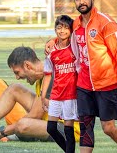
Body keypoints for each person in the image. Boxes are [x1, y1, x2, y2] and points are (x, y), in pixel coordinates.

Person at [46, 0, 117, 153]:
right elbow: (63, 34)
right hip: (83, 85)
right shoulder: (76, 25)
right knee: (86, 127)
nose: (82, 1)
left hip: (106, 84)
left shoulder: (105, 22)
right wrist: (52, 41)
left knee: (108, 128)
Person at [0, 46, 80, 145]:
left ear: (28, 66)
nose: (17, 77)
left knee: (23, 125)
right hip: (52, 120)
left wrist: (4, 130)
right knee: (14, 89)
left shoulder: (52, 76)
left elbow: (35, 115)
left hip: (68, 130)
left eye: (17, 72)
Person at [42, 15, 78, 152]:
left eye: (66, 28)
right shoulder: (51, 51)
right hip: (56, 94)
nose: (62, 31)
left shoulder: (75, 48)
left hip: (71, 94)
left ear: (71, 30)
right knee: (51, 128)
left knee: (69, 129)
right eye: (59, 27)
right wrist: (43, 96)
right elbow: (47, 74)